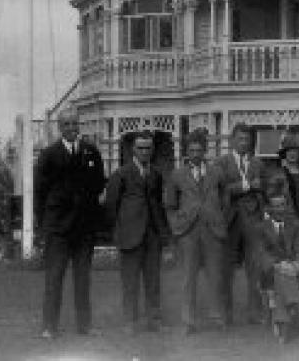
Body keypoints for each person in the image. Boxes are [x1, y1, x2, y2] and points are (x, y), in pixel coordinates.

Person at [34, 108, 106, 339]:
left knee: (83, 279)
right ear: (60, 127)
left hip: (84, 229)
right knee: (54, 278)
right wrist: (44, 226)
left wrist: (92, 220)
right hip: (58, 229)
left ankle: (85, 326)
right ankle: (49, 326)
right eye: (67, 124)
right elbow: (40, 194)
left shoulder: (91, 152)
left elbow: (97, 187)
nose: (72, 128)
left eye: (75, 124)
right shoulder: (48, 155)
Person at [105, 132, 170, 334]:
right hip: (130, 235)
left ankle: (154, 320)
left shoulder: (156, 174)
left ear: (152, 150)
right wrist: (118, 233)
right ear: (133, 149)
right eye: (140, 148)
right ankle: (129, 322)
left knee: (153, 281)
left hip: (152, 236)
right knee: (130, 282)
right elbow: (111, 206)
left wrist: (162, 235)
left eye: (148, 148)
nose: (144, 152)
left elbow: (159, 206)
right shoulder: (121, 174)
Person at [213, 123, 277, 325]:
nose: (244, 143)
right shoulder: (221, 163)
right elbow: (219, 190)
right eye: (240, 139)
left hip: (253, 220)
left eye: (247, 139)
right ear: (232, 140)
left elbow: (266, 191)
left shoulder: (258, 164)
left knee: (255, 267)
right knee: (225, 269)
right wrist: (246, 186)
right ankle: (225, 314)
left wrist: (263, 196)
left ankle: (254, 312)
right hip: (229, 220)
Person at [165, 131, 227, 334]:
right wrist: (177, 225)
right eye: (191, 150)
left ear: (205, 151)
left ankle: (216, 318)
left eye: (199, 150)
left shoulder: (216, 172)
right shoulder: (177, 174)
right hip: (188, 232)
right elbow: (170, 204)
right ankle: (188, 321)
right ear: (186, 152)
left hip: (212, 230)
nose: (195, 154)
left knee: (215, 276)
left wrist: (219, 218)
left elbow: (225, 199)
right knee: (187, 278)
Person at [257, 193, 299, 344]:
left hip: (293, 270)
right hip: (271, 272)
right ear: (269, 208)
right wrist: (277, 265)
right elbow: (261, 253)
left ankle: (283, 328)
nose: (280, 209)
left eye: (282, 205)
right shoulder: (261, 228)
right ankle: (294, 304)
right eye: (276, 206)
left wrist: (297, 264)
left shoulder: (295, 225)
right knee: (281, 276)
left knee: (284, 279)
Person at [276, 132, 299, 227]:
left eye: (295, 151)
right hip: (285, 221)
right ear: (284, 153)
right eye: (289, 151)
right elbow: (273, 201)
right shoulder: (277, 175)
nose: (292, 153)